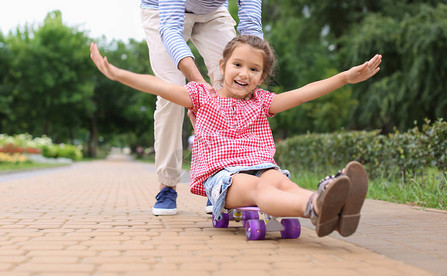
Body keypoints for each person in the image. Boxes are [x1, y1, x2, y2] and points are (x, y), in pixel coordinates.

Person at [90, 35, 381, 237]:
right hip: (225, 177)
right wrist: (119, 75)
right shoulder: (202, 97)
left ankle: (330, 205)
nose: (244, 74)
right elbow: (159, 86)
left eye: (254, 69)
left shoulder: (262, 102)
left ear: (262, 77)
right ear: (222, 66)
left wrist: (345, 77)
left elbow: (303, 94)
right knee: (256, 190)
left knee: (281, 182)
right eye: (238, 65)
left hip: (262, 166)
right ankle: (317, 205)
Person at [140, 0, 265, 215]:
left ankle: (224, 181)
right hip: (161, 9)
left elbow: (251, 27)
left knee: (233, 85)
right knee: (171, 94)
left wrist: (255, 72)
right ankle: (167, 185)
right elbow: (170, 30)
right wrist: (200, 86)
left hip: (212, 10)